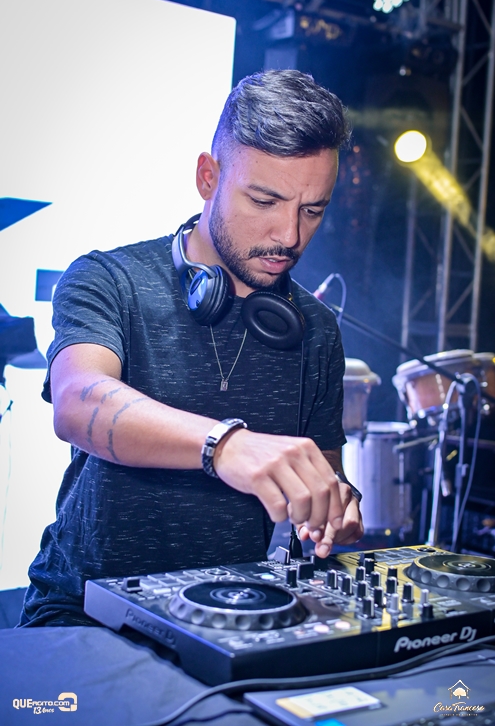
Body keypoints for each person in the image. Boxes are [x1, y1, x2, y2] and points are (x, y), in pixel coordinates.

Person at [20, 69, 363, 627]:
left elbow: (325, 475)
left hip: (238, 616)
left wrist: (334, 505)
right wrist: (225, 446)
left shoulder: (316, 328)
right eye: (264, 201)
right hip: (87, 612)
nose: (289, 235)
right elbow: (79, 401)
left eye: (312, 210)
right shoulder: (110, 279)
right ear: (208, 177)